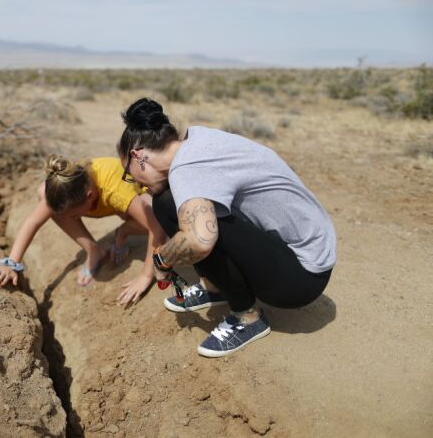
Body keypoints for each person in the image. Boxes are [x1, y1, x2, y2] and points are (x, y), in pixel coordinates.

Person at [117, 98, 336, 357]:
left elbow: (199, 240)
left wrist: (162, 260)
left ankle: (248, 318)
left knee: (168, 206)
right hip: (304, 254)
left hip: (300, 278)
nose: (139, 186)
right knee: (174, 203)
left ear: (137, 156)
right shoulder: (197, 140)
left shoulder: (188, 168)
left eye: (130, 174)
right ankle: (215, 287)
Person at [0, 154, 167, 306]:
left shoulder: (115, 192)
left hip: (142, 195)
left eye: (74, 215)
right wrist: (11, 263)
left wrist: (145, 276)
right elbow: (33, 222)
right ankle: (93, 250)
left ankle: (125, 230)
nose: (72, 218)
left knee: (161, 218)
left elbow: (156, 228)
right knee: (45, 197)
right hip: (110, 202)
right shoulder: (67, 183)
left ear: (89, 197)